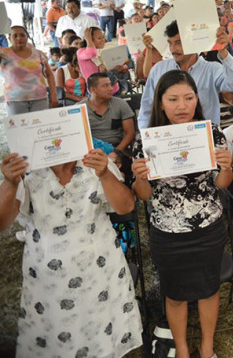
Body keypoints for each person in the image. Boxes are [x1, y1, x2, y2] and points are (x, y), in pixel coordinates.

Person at [0, 148, 142, 356]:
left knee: (101, 335)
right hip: (49, 280)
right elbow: (3, 222)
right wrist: (11, 182)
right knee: (54, 339)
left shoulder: (94, 162)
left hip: (99, 273)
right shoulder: (26, 169)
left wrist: (104, 174)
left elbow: (126, 207)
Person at [131, 71, 232, 358]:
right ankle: (183, 351)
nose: (182, 106)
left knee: (209, 291)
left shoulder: (210, 133)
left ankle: (207, 347)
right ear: (160, 103)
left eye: (188, 98)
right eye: (173, 99)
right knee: (174, 296)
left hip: (209, 228)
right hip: (167, 233)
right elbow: (145, 195)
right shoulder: (146, 141)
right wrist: (139, 177)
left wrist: (227, 168)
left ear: (197, 99)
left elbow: (222, 184)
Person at [138, 20, 233, 129]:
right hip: (166, 138)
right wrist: (145, 137)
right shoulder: (158, 70)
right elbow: (147, 108)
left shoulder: (212, 69)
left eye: (179, 43)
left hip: (204, 137)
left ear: (193, 42)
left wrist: (223, 52)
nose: (173, 49)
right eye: (170, 43)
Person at [0, 25, 58, 115]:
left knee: (41, 128)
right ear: (9, 38)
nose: (19, 38)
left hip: (40, 99)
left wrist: (54, 96)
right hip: (15, 101)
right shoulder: (4, 54)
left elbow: (49, 75)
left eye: (22, 35)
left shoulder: (38, 53)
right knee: (19, 128)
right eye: (15, 36)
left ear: (27, 37)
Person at [82, 72, 135, 158]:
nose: (111, 89)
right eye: (105, 86)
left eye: (110, 85)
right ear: (93, 90)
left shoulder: (120, 104)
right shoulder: (80, 109)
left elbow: (130, 133)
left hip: (118, 148)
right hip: (91, 151)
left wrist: (116, 152)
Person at [77, 27, 123, 96]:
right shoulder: (81, 51)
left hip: (114, 90)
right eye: (99, 38)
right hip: (97, 94)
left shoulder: (104, 50)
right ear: (89, 39)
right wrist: (88, 39)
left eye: (103, 37)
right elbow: (92, 53)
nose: (103, 40)